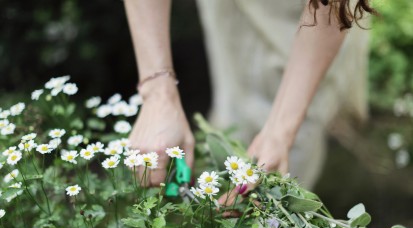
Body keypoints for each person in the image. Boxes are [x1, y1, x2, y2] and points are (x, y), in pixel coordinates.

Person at [124, 0, 375, 189]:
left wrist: (280, 134)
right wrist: (157, 91)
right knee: (233, 83)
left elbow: (332, 8)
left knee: (285, 152)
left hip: (304, 16)